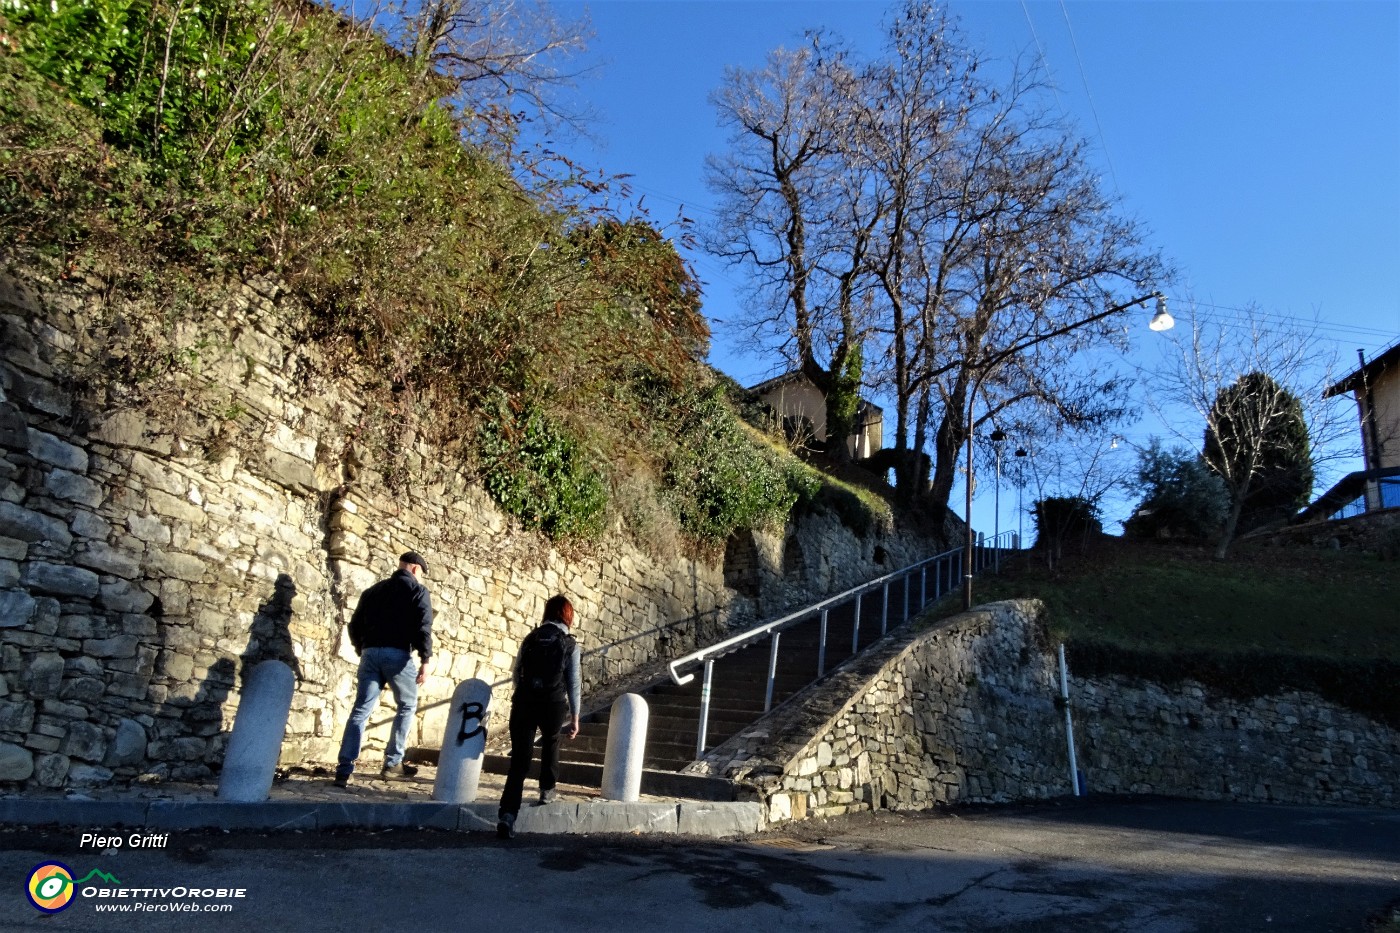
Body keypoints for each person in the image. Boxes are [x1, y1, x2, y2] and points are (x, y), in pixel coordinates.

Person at [334, 551, 434, 787]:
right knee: (407, 705)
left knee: (361, 709)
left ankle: (344, 769)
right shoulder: (417, 591)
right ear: (415, 569)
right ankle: (392, 763)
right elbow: (423, 626)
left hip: (370, 653)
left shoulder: (373, 591)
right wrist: (425, 659)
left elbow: (354, 624)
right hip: (397, 654)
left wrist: (362, 648)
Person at [497, 594, 582, 839]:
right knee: (551, 741)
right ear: (568, 616)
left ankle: (507, 814)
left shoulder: (531, 638)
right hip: (553, 703)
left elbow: (516, 674)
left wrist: (523, 694)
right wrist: (575, 716)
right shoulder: (569, 643)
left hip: (524, 701)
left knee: (520, 760)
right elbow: (573, 682)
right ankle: (546, 790)